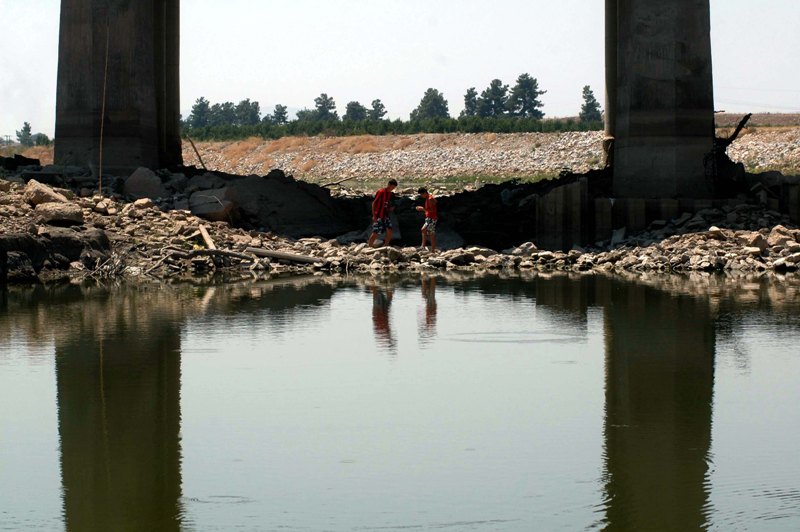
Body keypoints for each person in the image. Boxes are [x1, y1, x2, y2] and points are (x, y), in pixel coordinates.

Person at [368, 179, 398, 247]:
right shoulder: (381, 192)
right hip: (379, 215)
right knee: (375, 232)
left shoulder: (390, 194)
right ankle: (369, 246)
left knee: (389, 230)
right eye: (392, 187)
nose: (392, 189)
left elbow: (386, 204)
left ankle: (386, 245)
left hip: (386, 215)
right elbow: (374, 203)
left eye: (394, 188)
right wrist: (374, 216)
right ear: (389, 185)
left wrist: (390, 208)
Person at [415, 187, 438, 252]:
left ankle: (433, 249)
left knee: (431, 233)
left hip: (432, 218)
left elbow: (432, 210)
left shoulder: (430, 199)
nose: (421, 196)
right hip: (429, 218)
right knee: (423, 229)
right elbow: (435, 202)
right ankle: (423, 246)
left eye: (421, 194)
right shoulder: (429, 198)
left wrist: (422, 209)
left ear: (424, 193)